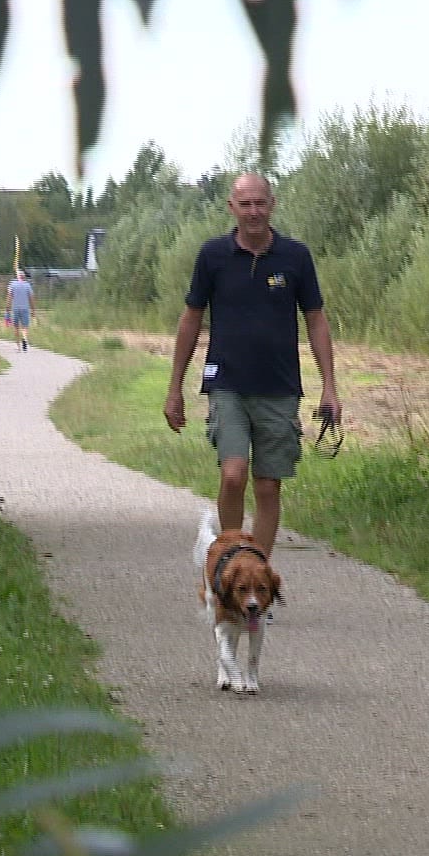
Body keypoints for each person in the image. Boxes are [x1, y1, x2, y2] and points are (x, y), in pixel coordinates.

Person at [164, 172, 339, 565]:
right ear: (232, 208)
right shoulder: (213, 256)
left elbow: (316, 319)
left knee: (267, 486)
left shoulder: (295, 257)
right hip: (227, 383)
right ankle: (230, 564)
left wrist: (329, 386)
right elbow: (191, 319)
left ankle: (255, 573)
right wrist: (174, 388)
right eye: (246, 204)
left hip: (279, 387)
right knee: (232, 475)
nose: (254, 211)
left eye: (261, 202)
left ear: (272, 205)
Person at [7, 269, 34, 350]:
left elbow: (9, 296)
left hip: (15, 308)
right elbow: (31, 298)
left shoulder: (12, 284)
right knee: (25, 327)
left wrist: (7, 308)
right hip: (25, 308)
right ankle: (24, 339)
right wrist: (33, 310)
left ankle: (18, 346)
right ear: (24, 277)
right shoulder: (27, 285)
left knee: (16, 327)